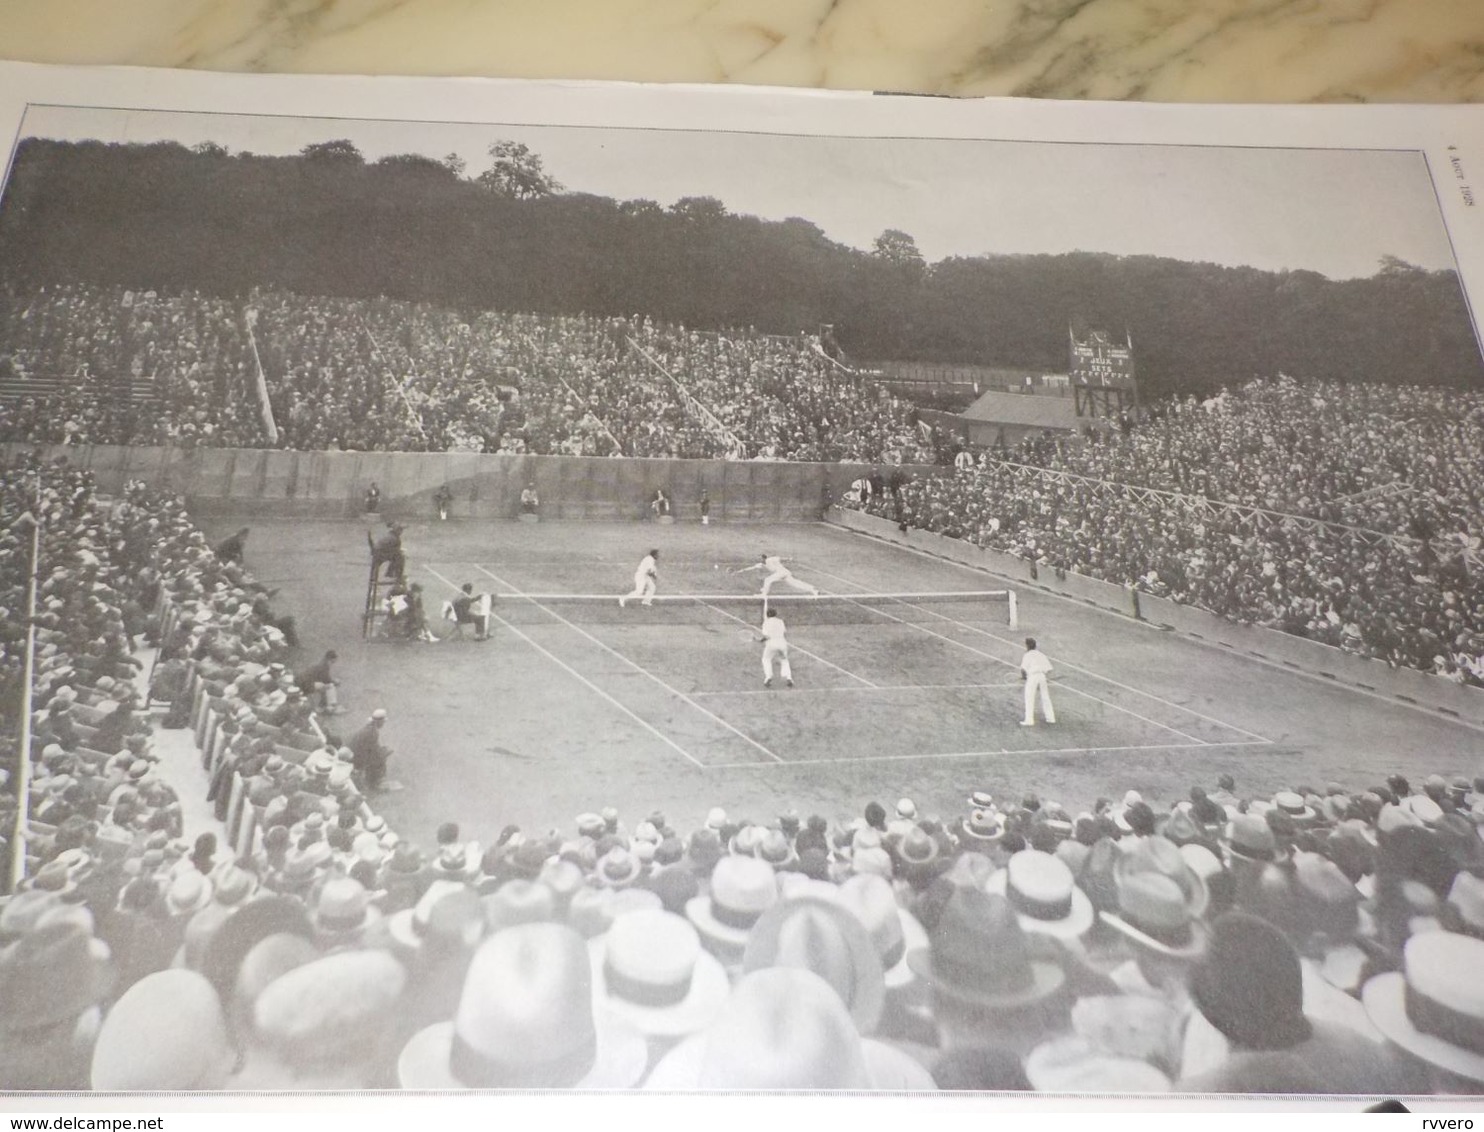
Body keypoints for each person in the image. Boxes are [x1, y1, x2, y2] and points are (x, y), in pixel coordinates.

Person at [350, 708, 398, 793]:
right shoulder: (372, 732)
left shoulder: (369, 728)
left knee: (380, 754)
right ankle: (375, 782)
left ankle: (372, 780)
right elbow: (373, 751)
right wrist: (384, 752)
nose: (383, 724)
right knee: (380, 758)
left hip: (355, 753)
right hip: (358, 757)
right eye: (383, 721)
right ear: (379, 722)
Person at [737, 553, 819, 598]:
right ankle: (813, 590)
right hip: (782, 574)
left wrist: (789, 559)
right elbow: (751, 568)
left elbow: (781, 558)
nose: (758, 559)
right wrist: (739, 571)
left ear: (763, 558)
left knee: (768, 580)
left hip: (783, 572)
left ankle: (764, 594)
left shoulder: (770, 559)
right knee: (794, 583)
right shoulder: (761, 564)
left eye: (760, 558)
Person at [1019, 637, 1056, 727]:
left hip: (1032, 677)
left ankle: (1029, 720)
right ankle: (1051, 718)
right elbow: (1049, 669)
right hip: (1042, 676)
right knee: (1045, 697)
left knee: (1029, 697)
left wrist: (1024, 677)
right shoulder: (1041, 655)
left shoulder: (1027, 655)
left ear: (1027, 645)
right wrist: (1044, 679)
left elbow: (1023, 670)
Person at [295, 649, 343, 714]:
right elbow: (326, 680)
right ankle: (330, 707)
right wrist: (334, 681)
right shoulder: (324, 665)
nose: (336, 660)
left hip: (303, 682)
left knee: (325, 686)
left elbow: (323, 678)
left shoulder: (323, 663)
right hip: (306, 684)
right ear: (331, 658)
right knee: (329, 686)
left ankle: (323, 706)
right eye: (335, 658)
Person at [758, 606, 793, 689]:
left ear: (767, 615)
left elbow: (766, 636)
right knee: (784, 660)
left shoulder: (766, 623)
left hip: (771, 645)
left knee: (766, 659)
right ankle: (789, 678)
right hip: (782, 644)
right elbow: (784, 633)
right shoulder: (780, 621)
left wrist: (761, 640)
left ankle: (768, 677)